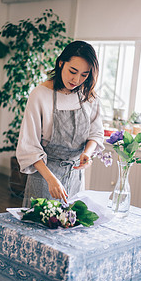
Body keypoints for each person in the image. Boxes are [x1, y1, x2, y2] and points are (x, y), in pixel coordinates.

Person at [16, 40, 104, 207]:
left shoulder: (88, 95)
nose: (77, 79)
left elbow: (96, 133)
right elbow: (29, 146)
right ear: (61, 63)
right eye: (73, 71)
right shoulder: (40, 95)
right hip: (44, 178)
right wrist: (51, 179)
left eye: (84, 75)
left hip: (75, 179)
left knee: (72, 228)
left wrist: (87, 153)